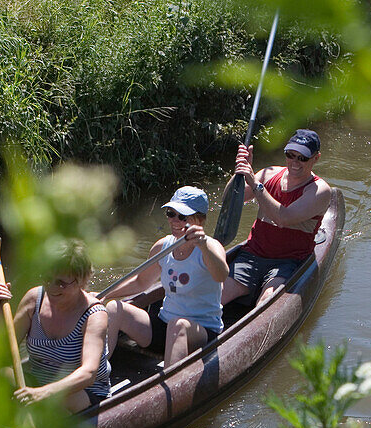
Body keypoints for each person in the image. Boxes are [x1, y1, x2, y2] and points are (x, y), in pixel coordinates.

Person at [101, 186, 229, 366]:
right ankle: (96, 373)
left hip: (200, 331)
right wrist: (105, 295)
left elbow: (221, 275)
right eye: (171, 214)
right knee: (114, 308)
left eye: (182, 216)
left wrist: (202, 246)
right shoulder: (163, 246)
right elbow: (141, 282)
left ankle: (170, 386)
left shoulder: (211, 246)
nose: (174, 221)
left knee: (179, 325)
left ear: (199, 220)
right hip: (165, 325)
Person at [0, 239, 110, 412]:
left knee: (62, 400)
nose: (51, 288)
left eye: (61, 282)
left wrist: (42, 393)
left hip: (79, 392)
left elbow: (88, 373)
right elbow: (2, 353)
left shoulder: (94, 315)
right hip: (38, 385)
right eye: (47, 278)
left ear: (81, 280)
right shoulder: (33, 299)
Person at [224, 128, 333, 306]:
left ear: (316, 158)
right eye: (290, 155)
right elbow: (230, 201)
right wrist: (239, 173)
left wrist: (255, 183)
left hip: (287, 262)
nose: (295, 162)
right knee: (215, 298)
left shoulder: (320, 190)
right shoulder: (269, 173)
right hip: (252, 254)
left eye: (302, 158)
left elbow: (283, 218)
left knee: (265, 303)